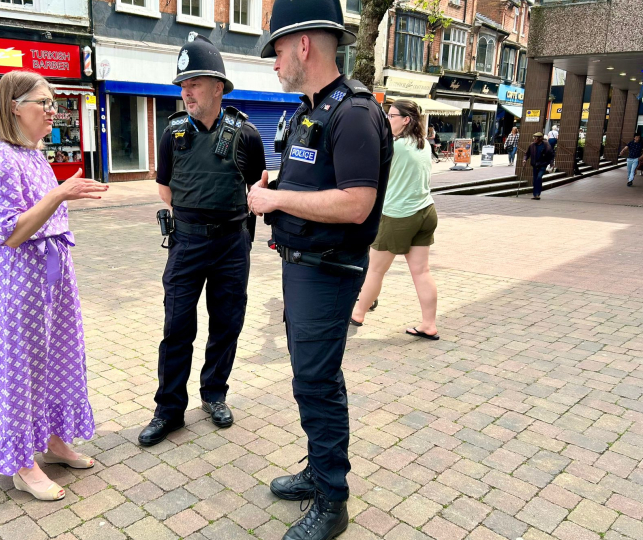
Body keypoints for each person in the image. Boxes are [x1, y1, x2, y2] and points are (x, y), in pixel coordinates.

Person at [247, 1, 393, 538]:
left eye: (278, 50)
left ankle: (332, 500)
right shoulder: (315, 109)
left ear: (303, 45)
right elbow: (314, 185)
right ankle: (318, 471)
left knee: (317, 381)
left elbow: (356, 204)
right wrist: (281, 199)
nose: (275, 62)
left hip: (329, 272)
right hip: (304, 265)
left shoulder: (352, 112)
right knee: (311, 380)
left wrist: (276, 201)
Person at [0, 70, 108, 501]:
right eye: (44, 102)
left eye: (53, 102)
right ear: (15, 106)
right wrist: (60, 194)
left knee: (58, 358)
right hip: (22, 285)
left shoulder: (34, 155)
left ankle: (52, 443)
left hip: (52, 279)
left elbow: (12, 225)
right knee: (20, 369)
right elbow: (14, 230)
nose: (53, 110)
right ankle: (21, 464)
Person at [137, 34, 266, 447]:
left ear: (218, 87)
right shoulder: (172, 132)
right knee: (177, 327)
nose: (186, 91)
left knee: (226, 324)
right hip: (186, 244)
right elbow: (165, 191)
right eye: (182, 84)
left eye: (194, 82)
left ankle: (214, 394)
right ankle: (169, 410)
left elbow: (256, 188)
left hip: (232, 245)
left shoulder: (246, 135)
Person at [350, 99, 439, 340]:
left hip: (399, 215)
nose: (387, 120)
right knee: (421, 271)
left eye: (391, 116)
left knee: (375, 270)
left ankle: (357, 314)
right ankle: (428, 324)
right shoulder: (423, 145)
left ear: (406, 120)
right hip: (426, 211)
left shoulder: (395, 147)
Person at [523, 131, 555, 200]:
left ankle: (538, 193)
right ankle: (535, 195)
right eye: (534, 138)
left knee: (539, 178)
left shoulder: (546, 145)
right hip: (535, 165)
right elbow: (527, 154)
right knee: (535, 180)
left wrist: (551, 164)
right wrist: (525, 159)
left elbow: (551, 155)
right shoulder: (532, 145)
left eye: (536, 138)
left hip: (543, 165)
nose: (534, 139)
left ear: (540, 138)